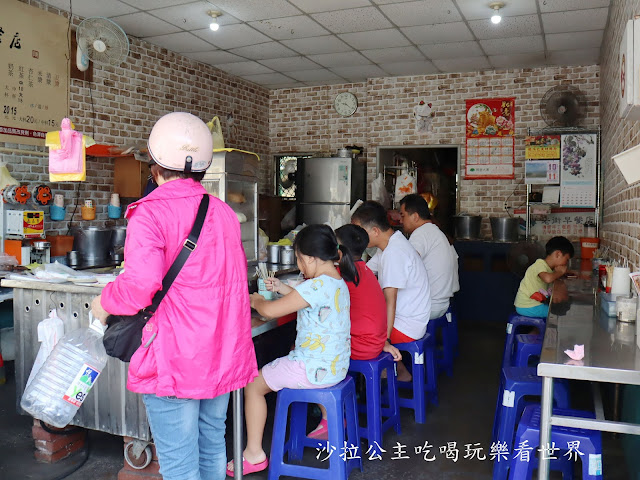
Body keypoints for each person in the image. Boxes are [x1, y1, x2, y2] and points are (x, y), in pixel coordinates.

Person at [91, 112, 257, 480]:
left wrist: (104, 301)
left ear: (155, 169)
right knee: (213, 443)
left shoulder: (150, 213)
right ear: (202, 169)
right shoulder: (225, 213)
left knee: (180, 461)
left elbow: (138, 287)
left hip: (175, 356)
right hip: (221, 349)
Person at [227, 224, 357, 477]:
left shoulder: (315, 286)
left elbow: (269, 312)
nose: (299, 265)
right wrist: (281, 288)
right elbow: (307, 297)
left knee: (253, 385)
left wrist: (258, 300)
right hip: (336, 367)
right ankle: (330, 420)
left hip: (311, 370)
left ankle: (254, 453)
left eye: (299, 259)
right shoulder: (337, 281)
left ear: (311, 257)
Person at [307, 224, 402, 440]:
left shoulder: (341, 274)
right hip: (374, 342)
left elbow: (312, 297)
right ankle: (333, 406)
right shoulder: (363, 269)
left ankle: (328, 417)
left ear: (337, 252)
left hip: (363, 346)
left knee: (304, 350)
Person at [351, 201, 431, 382]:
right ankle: (393, 370)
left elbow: (390, 301)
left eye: (358, 231)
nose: (357, 237)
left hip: (407, 325)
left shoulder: (394, 253)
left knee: (351, 330)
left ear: (375, 232)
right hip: (410, 317)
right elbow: (364, 271)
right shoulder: (391, 243)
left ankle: (383, 374)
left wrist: (383, 340)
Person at [399, 194, 456, 318]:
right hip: (441, 303)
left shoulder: (421, 234)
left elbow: (407, 265)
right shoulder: (434, 231)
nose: (400, 221)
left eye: (403, 216)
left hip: (428, 305)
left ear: (415, 217)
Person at [514, 236, 574, 318]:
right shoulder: (540, 264)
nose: (566, 263)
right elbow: (548, 279)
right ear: (558, 254)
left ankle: (535, 331)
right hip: (528, 305)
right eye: (566, 259)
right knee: (557, 315)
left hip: (535, 304)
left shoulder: (550, 269)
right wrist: (560, 272)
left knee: (558, 311)